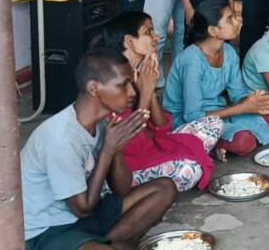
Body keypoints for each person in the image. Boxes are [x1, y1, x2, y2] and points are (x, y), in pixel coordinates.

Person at [20, 49, 176, 250]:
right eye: (123, 85)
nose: (132, 92)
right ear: (94, 88)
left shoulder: (102, 124)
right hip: (48, 230)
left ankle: (105, 243)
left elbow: (121, 190)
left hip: (84, 218)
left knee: (164, 188)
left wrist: (116, 148)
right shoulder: (61, 138)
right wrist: (108, 150)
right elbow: (82, 209)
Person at [94, 12, 222, 192]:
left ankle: (180, 161)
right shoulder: (113, 82)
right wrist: (145, 93)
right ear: (128, 41)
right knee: (190, 170)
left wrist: (150, 90)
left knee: (214, 123)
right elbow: (130, 143)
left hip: (151, 145)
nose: (157, 37)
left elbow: (162, 128)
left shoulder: (139, 72)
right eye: (148, 32)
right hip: (128, 164)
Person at [162, 0, 269, 161]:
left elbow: (238, 94)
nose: (237, 21)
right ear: (213, 30)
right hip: (190, 122)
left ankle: (225, 139)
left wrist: (254, 101)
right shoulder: (192, 61)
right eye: (230, 19)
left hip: (222, 111)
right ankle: (223, 141)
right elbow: (193, 115)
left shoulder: (229, 52)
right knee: (242, 141)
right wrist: (243, 108)